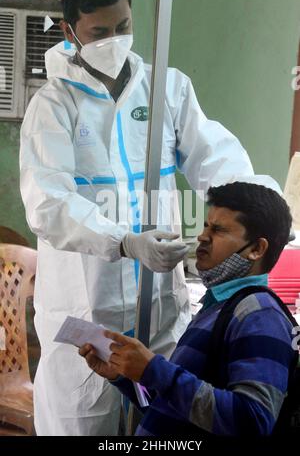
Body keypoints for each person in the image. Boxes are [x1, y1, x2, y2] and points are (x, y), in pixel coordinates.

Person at [19, 0, 275, 436]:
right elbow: (48, 204)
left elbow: (217, 163)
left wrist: (266, 209)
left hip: (159, 318)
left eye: (123, 27)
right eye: (99, 32)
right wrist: (124, 242)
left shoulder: (167, 91)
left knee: (163, 428)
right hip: (86, 325)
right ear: (69, 31)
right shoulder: (54, 106)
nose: (114, 39)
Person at [80, 182, 297, 437]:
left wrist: (155, 370)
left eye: (218, 230)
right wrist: (126, 376)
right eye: (206, 225)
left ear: (257, 249)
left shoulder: (260, 315)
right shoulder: (216, 307)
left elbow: (253, 421)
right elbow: (179, 407)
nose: (203, 236)